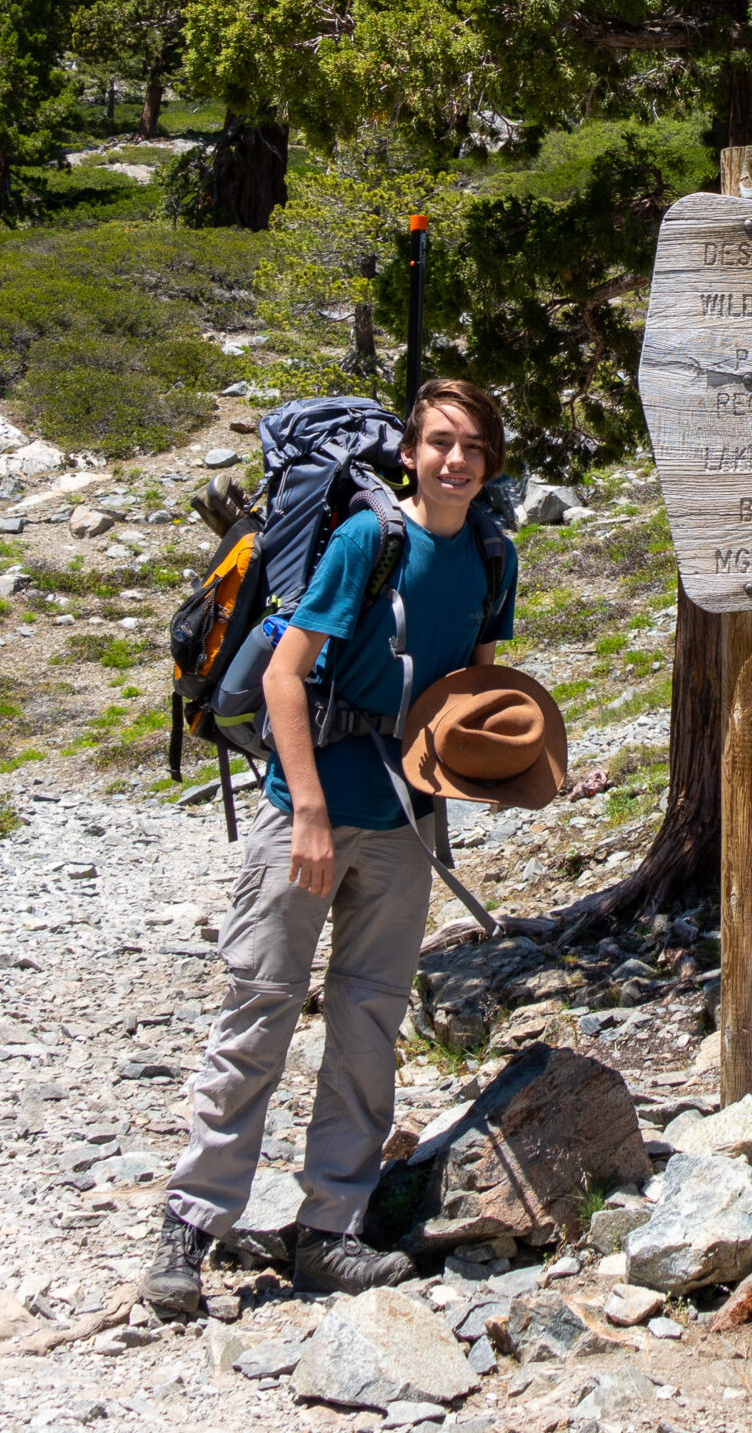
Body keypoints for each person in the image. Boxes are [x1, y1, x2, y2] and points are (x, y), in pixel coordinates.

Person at [143, 379, 525, 1314]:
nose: (455, 461)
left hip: (404, 824)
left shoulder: (491, 555)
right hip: (306, 813)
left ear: (491, 463)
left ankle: (330, 1230)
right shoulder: (370, 539)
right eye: (440, 442)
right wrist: (308, 811)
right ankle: (191, 1226)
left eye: (473, 447)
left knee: (368, 1028)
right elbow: (285, 676)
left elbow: (470, 689)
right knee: (260, 1012)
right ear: (410, 452)